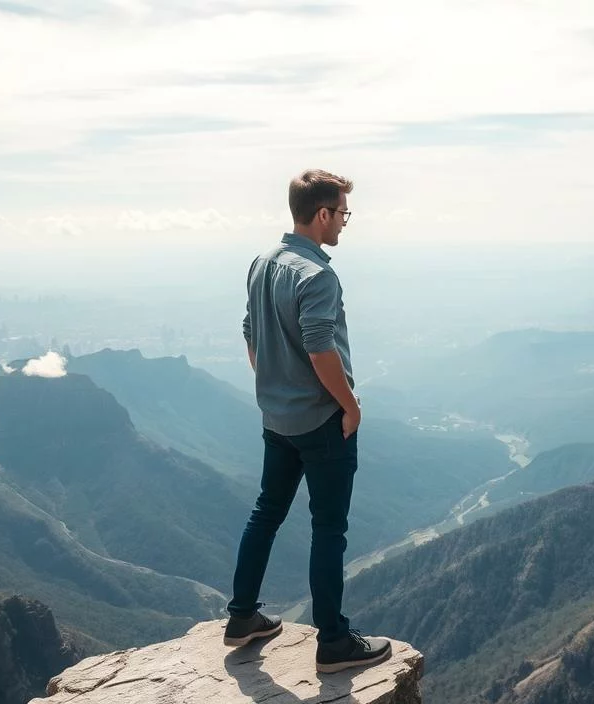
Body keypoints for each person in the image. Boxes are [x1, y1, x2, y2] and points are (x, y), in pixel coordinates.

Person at [224, 168, 392, 674]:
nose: (344, 223)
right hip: (321, 422)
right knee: (329, 529)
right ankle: (334, 643)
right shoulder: (317, 275)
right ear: (321, 214)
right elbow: (322, 351)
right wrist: (351, 406)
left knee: (266, 512)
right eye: (342, 213)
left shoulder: (263, 263)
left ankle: (242, 617)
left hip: (276, 419)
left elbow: (251, 333)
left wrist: (275, 387)